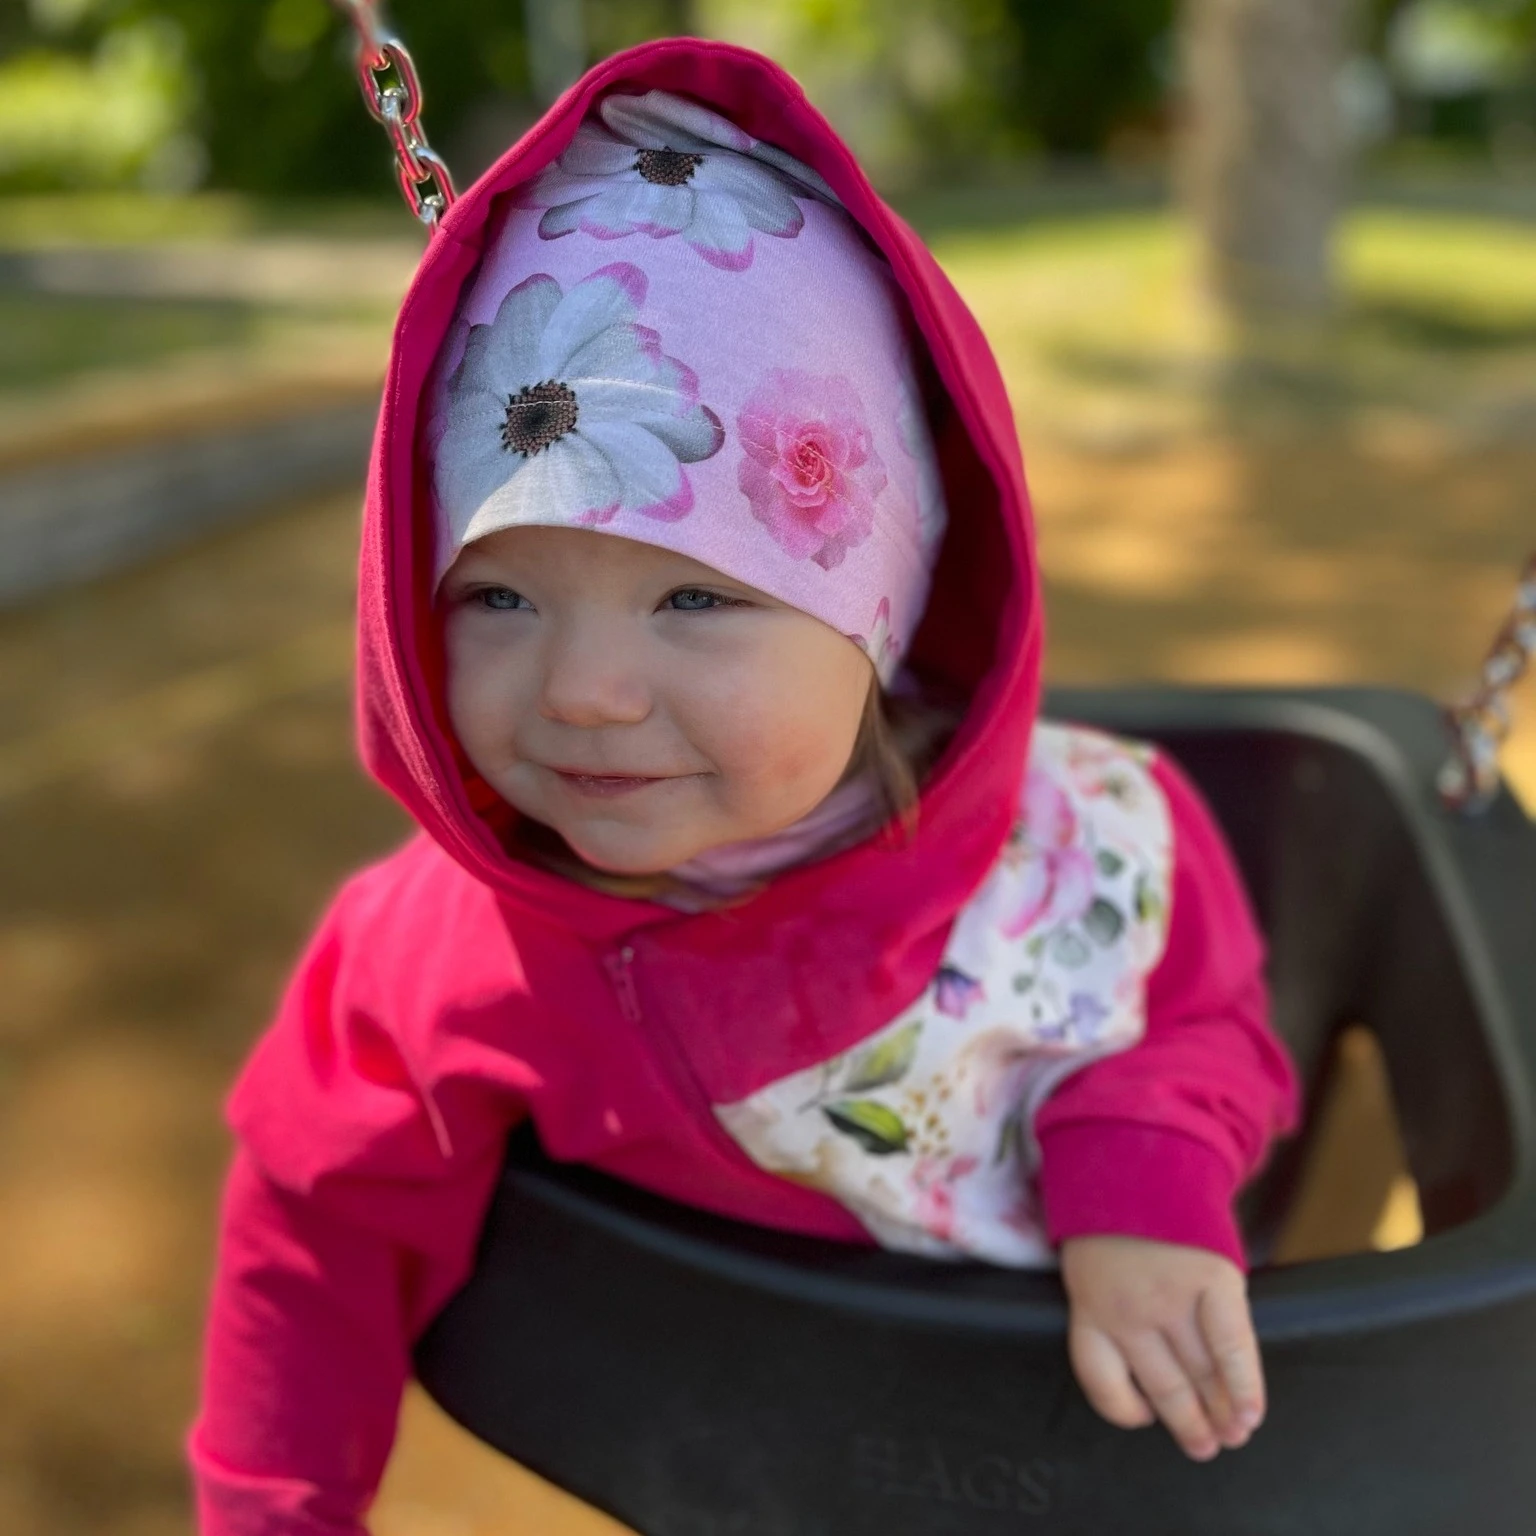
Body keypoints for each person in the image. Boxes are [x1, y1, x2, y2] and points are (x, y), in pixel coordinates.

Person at [190, 38, 1300, 1535]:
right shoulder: (430, 959)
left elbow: (1204, 1020)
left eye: (697, 599)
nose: (584, 690)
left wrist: (1147, 1182)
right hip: (749, 1458)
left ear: (875, 620)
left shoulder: (1083, 845)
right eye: (498, 595)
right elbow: (317, 1218)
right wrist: (276, 1512)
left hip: (1064, 1448)